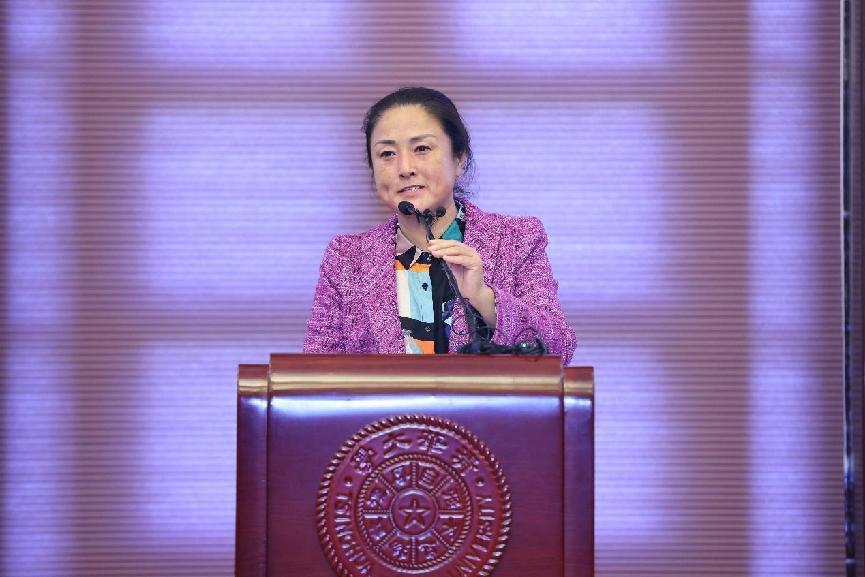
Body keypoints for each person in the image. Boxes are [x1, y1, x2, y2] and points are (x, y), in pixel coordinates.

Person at [303, 87, 577, 364]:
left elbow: (559, 349)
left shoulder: (516, 239)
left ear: (459, 159)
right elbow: (317, 370)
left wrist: (484, 298)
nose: (405, 168)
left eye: (421, 148)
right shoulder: (347, 258)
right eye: (387, 154)